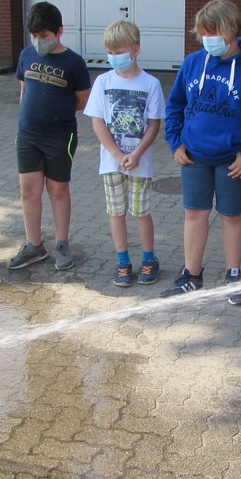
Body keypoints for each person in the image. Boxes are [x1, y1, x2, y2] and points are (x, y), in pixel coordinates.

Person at [161, 0, 241, 304]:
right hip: (193, 156)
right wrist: (175, 142)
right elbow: (174, 106)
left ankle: (233, 276)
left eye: (213, 32)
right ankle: (191, 275)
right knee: (194, 214)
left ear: (232, 31)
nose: (207, 39)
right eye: (203, 33)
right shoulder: (192, 63)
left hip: (232, 161)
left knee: (231, 215)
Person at [9, 1, 91, 271]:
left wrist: (56, 112)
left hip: (60, 136)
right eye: (34, 35)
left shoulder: (74, 62)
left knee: (57, 189)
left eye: (43, 35)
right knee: (28, 190)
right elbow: (24, 90)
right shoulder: (26, 55)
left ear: (59, 31)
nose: (38, 41)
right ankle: (34, 245)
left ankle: (62, 244)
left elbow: (82, 101)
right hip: (28, 134)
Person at [83, 20, 166, 287]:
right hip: (111, 163)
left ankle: (149, 259)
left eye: (119, 52)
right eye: (110, 52)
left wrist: (137, 154)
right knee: (116, 211)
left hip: (140, 163)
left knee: (141, 212)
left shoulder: (151, 84)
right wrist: (117, 155)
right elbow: (97, 122)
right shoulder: (102, 82)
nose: (114, 57)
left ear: (135, 50)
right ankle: (122, 261)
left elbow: (154, 124)